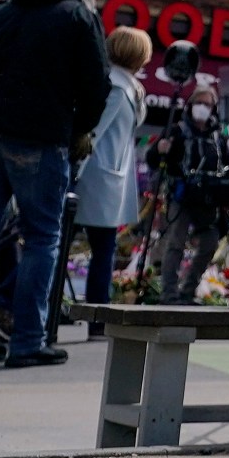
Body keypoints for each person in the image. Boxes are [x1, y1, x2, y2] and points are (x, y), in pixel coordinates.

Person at [0, 0, 108, 368]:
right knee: (41, 238)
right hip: (39, 138)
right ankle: (27, 341)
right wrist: (79, 128)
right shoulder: (76, 17)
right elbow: (96, 85)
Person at [75, 25, 152, 331]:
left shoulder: (122, 86)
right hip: (96, 178)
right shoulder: (120, 89)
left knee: (98, 251)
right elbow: (91, 135)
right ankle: (96, 320)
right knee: (101, 252)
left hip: (100, 178)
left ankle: (94, 319)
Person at [151, 85, 229, 304]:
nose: (203, 108)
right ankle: (168, 294)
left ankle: (188, 291)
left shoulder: (217, 135)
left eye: (208, 104)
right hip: (182, 195)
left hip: (208, 199)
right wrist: (160, 151)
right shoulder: (177, 130)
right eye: (200, 103)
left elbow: (227, 164)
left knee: (210, 243)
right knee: (175, 244)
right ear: (190, 105)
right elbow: (153, 159)